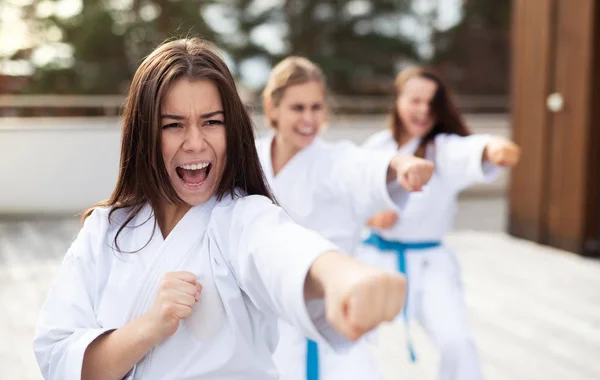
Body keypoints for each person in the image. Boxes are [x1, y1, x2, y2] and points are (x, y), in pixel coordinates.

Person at [32, 38, 410, 380]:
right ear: (143, 133)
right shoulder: (105, 230)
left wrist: (344, 277)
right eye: (173, 125)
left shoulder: (243, 218)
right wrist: (150, 326)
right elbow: (60, 358)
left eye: (212, 122)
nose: (196, 143)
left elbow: (285, 248)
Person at [257, 57, 435, 380]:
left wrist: (398, 166)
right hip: (266, 322)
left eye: (317, 107)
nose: (309, 118)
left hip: (331, 320)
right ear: (272, 107)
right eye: (298, 108)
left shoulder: (335, 160)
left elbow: (363, 166)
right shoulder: (250, 159)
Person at [359, 66, 521, 380]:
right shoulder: (376, 147)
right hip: (373, 260)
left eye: (432, 103)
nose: (423, 110)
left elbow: (474, 149)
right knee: (354, 343)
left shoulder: (442, 148)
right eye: (416, 100)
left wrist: (495, 149)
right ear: (398, 100)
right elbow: (347, 195)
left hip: (430, 263)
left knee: (456, 342)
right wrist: (371, 217)